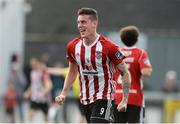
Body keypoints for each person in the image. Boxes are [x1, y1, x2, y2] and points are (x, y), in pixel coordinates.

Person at [55, 7, 131, 123]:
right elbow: (72, 71)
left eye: (84, 22)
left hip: (104, 97)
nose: (80, 25)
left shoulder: (109, 47)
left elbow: (125, 72)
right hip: (85, 98)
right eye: (78, 22)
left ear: (94, 24)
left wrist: (124, 99)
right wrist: (63, 93)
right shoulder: (73, 46)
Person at [114, 25, 152, 123]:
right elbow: (146, 72)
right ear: (137, 39)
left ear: (122, 39)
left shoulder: (117, 53)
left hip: (117, 96)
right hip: (134, 96)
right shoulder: (140, 53)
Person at [24, 57, 52, 122]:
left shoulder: (43, 73)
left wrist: (43, 92)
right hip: (35, 98)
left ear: (37, 63)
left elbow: (49, 85)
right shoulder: (33, 73)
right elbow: (33, 84)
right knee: (30, 114)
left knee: (46, 117)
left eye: (33, 63)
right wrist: (28, 92)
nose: (32, 65)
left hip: (44, 99)